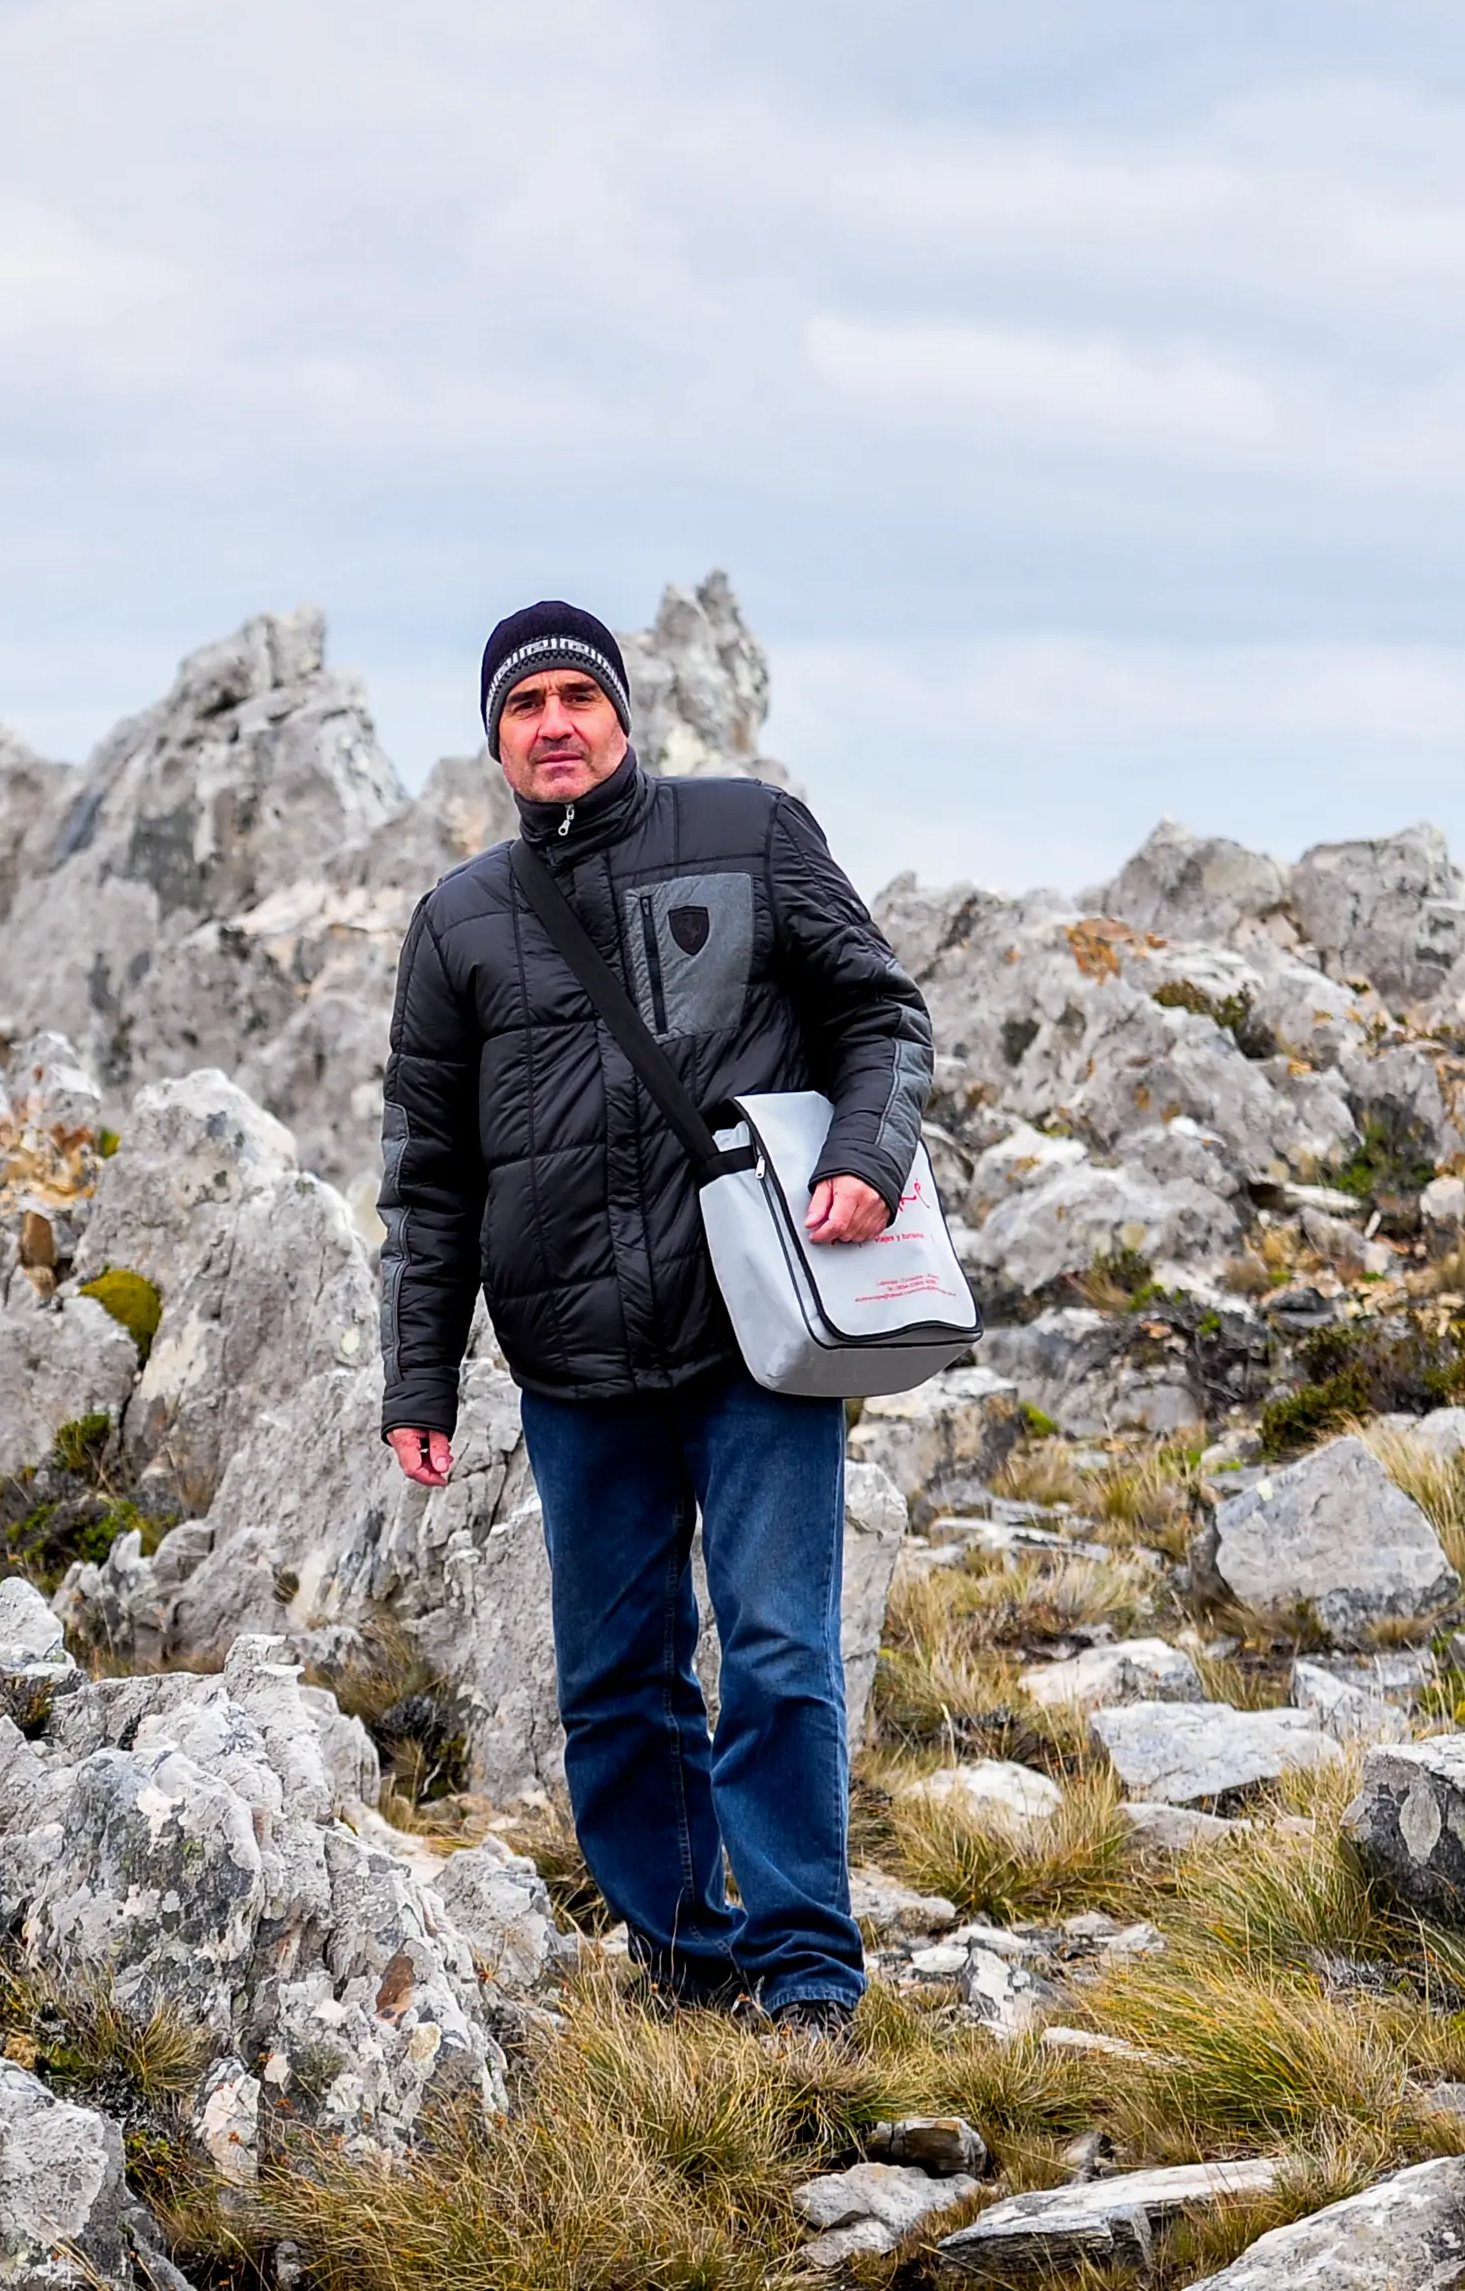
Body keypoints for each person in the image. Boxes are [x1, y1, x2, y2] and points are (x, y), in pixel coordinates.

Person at [377, 600, 932, 2034]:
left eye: (577, 695)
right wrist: (417, 1379)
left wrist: (868, 1160)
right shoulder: (458, 921)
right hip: (572, 1363)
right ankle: (691, 1963)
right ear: (496, 737)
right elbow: (430, 1176)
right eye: (524, 705)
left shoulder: (750, 831)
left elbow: (882, 1013)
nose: (554, 722)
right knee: (615, 1686)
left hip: (759, 1335)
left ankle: (808, 1969)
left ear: (623, 712)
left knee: (776, 1655)